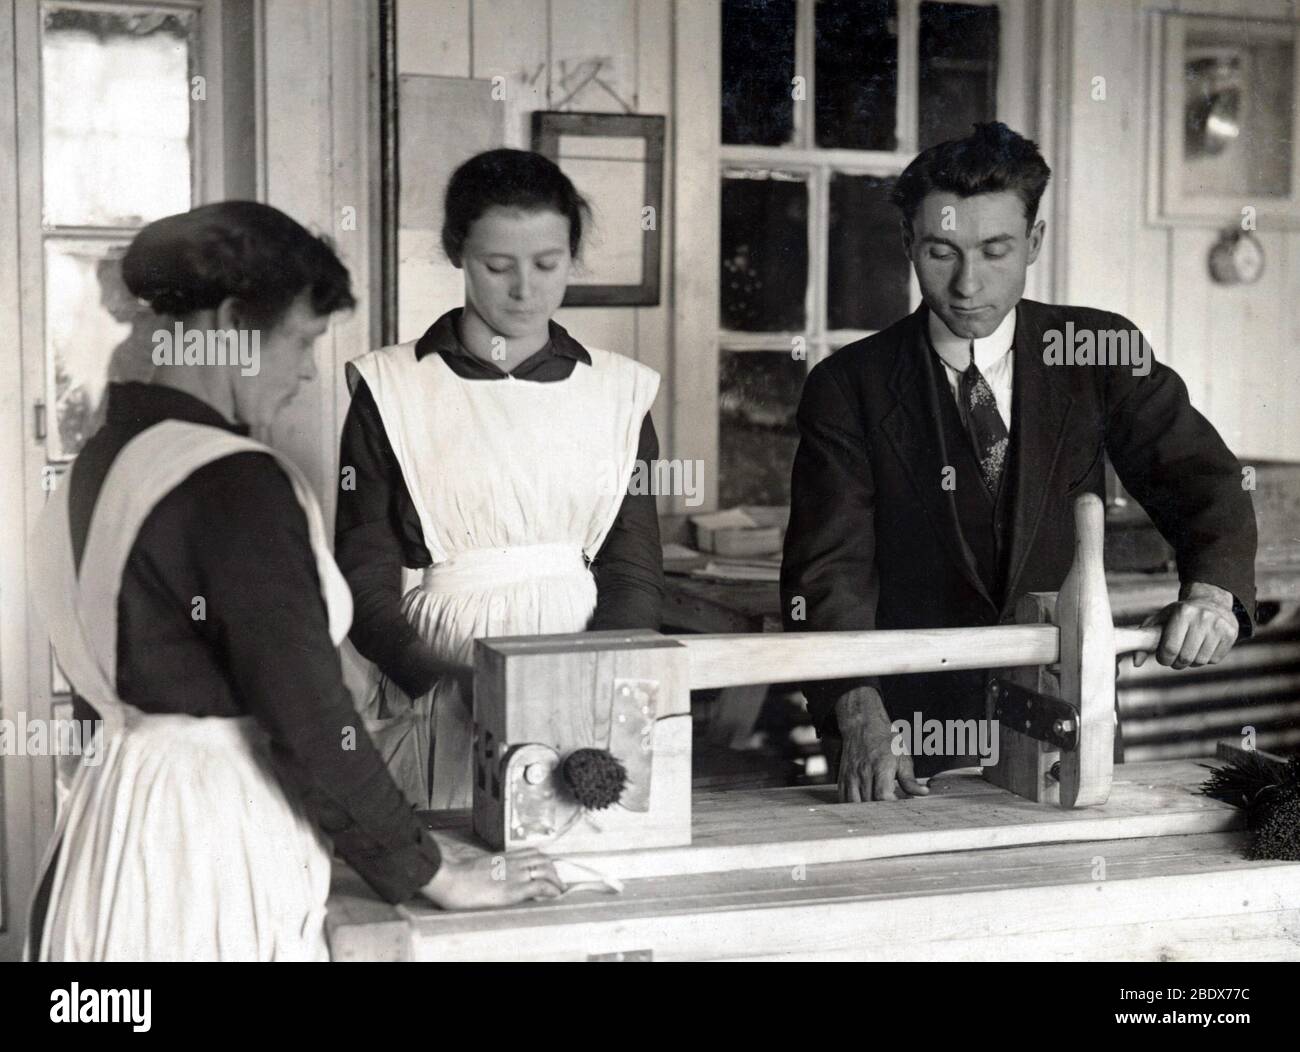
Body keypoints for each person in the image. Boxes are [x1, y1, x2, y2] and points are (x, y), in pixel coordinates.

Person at [27, 201, 562, 962]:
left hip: (108, 832)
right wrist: (432, 871)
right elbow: (309, 715)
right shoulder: (232, 482)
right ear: (225, 322)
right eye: (301, 341)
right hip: (210, 852)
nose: (308, 373)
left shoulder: (99, 461)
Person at [780, 122, 1256, 803]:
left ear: (1033, 243)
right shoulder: (848, 385)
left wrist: (1212, 595)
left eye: (995, 251)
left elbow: (1206, 482)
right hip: (906, 732)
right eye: (941, 252)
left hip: (1069, 719)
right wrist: (855, 709)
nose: (968, 284)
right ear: (908, 244)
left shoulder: (1097, 348)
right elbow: (828, 570)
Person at [336, 149, 664, 809]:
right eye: (498, 266)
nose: (524, 290)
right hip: (445, 675)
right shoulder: (394, 387)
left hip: (585, 672)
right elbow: (362, 570)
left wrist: (591, 681)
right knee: (461, 857)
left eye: (547, 265)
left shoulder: (618, 394)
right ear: (458, 252)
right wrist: (443, 677)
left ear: (572, 255)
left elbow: (632, 566)